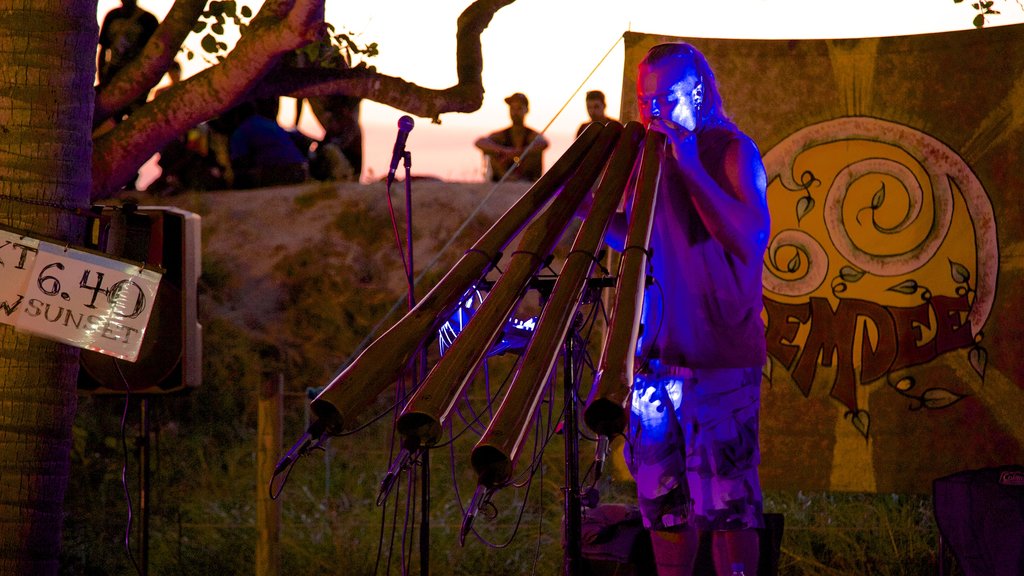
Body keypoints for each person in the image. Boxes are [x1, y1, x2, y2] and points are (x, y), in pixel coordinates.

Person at [604, 43, 770, 576]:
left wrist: (690, 163)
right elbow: (642, 238)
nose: (650, 110)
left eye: (664, 96)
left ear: (696, 90)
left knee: (728, 511)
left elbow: (749, 239)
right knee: (664, 512)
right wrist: (585, 214)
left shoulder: (730, 151)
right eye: (641, 97)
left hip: (718, 365)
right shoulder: (643, 159)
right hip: (653, 367)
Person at [226, 98, 309, 189]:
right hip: (299, 170)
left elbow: (240, 161)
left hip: (276, 173)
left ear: (236, 115)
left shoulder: (241, 132)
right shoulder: (271, 124)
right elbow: (300, 138)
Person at [97, 0, 159, 119]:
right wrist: (102, 79)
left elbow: (154, 56)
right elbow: (103, 49)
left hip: (135, 79)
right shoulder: (112, 16)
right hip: (112, 78)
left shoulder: (148, 21)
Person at [475, 93, 548, 182]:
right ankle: (507, 178)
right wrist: (504, 151)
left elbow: (543, 144)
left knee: (535, 152)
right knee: (491, 151)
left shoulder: (531, 134)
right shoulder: (502, 134)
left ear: (526, 110)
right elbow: (480, 142)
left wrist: (517, 153)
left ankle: (522, 179)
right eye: (512, 108)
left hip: (526, 177)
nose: (515, 112)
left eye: (519, 108)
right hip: (503, 173)